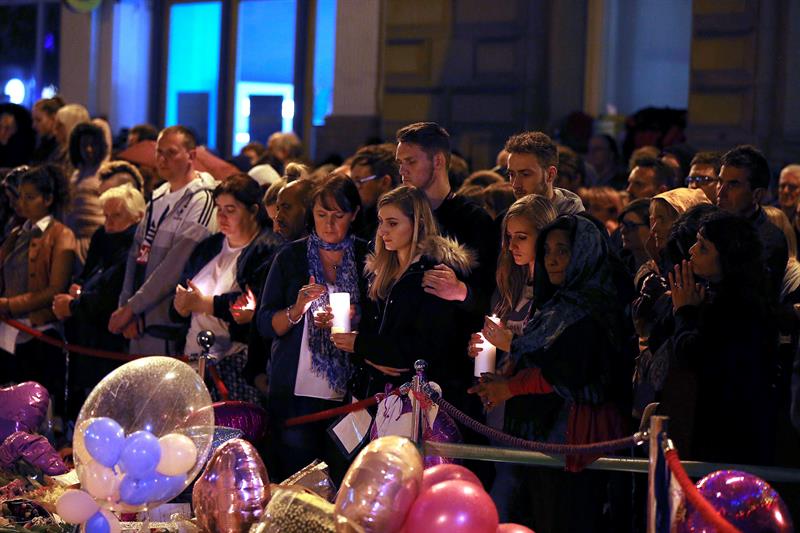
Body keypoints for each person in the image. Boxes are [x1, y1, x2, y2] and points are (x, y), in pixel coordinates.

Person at [468, 215, 629, 531]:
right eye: (547, 251)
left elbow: (568, 371)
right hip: (546, 438)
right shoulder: (557, 304)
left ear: (583, 252)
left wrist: (511, 384)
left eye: (563, 251)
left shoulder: (593, 306)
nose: (552, 260)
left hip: (576, 441)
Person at [256, 175, 368, 481]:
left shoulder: (366, 256)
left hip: (351, 390)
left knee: (344, 478)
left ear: (354, 214)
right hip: (297, 391)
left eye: (338, 216)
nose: (329, 225)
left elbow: (381, 315)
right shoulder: (291, 256)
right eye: (321, 215)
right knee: (296, 477)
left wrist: (355, 317)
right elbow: (265, 323)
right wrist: (297, 309)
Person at [330, 185, 475, 396]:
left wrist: (363, 346)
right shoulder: (379, 271)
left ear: (418, 224)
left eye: (392, 223)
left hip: (413, 399)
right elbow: (368, 336)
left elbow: (424, 350)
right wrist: (362, 346)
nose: (382, 231)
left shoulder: (432, 275)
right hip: (372, 392)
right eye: (381, 222)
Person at [465, 194, 557, 522]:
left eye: (522, 237)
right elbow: (494, 334)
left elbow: (551, 353)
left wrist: (510, 342)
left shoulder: (556, 290)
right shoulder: (510, 284)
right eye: (508, 237)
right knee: (503, 478)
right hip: (499, 405)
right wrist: (481, 350)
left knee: (518, 490)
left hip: (534, 409)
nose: (512, 245)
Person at [667, 211, 777, 464]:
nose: (692, 251)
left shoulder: (738, 306)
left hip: (730, 434)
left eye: (703, 247)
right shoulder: (720, 296)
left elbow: (694, 355)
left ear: (728, 257)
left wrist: (684, 311)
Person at [109, 126, 218, 355]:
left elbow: (175, 267)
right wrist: (126, 308)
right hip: (138, 321)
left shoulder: (202, 200)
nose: (162, 159)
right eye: (159, 152)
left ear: (192, 155)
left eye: (171, 152)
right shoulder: (157, 197)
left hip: (165, 323)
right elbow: (136, 255)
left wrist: (133, 309)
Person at [173, 174, 282, 402]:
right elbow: (183, 292)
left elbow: (254, 303)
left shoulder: (267, 251)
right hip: (195, 358)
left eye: (230, 209)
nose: (222, 216)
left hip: (236, 363)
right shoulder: (209, 247)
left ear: (253, 210)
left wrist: (204, 304)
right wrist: (180, 306)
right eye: (218, 208)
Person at [52, 184, 144, 415]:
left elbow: (110, 296)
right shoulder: (103, 237)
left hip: (109, 340)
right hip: (86, 338)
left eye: (116, 216)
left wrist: (75, 302)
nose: (109, 222)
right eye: (106, 215)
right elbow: (88, 275)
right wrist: (79, 290)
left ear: (138, 217)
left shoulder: (134, 247)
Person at [0, 165, 76, 415]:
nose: (22, 203)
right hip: (9, 331)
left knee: (35, 409)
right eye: (21, 196)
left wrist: (9, 305)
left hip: (39, 332)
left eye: (30, 197)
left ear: (48, 199)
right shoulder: (16, 233)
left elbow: (55, 288)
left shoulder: (61, 235)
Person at [717, 145, 788, 301]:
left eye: (733, 185)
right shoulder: (712, 224)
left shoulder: (769, 241)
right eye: (720, 181)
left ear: (757, 195)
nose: (720, 193)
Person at [65, 122, 109, 263]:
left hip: (95, 241)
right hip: (73, 238)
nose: (89, 150)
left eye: (93, 145)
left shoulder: (107, 173)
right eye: (84, 146)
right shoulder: (76, 174)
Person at [348, 143, 400, 241]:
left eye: (359, 181)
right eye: (353, 182)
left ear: (385, 182)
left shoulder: (402, 221)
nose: (354, 188)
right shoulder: (360, 217)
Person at [618, 198, 651, 276]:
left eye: (631, 225)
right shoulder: (619, 267)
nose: (623, 231)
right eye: (622, 225)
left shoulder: (665, 268)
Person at [31, 97, 65, 164]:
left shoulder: (60, 147)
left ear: (53, 118)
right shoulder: (41, 143)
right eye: (33, 120)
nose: (34, 125)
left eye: (38, 120)